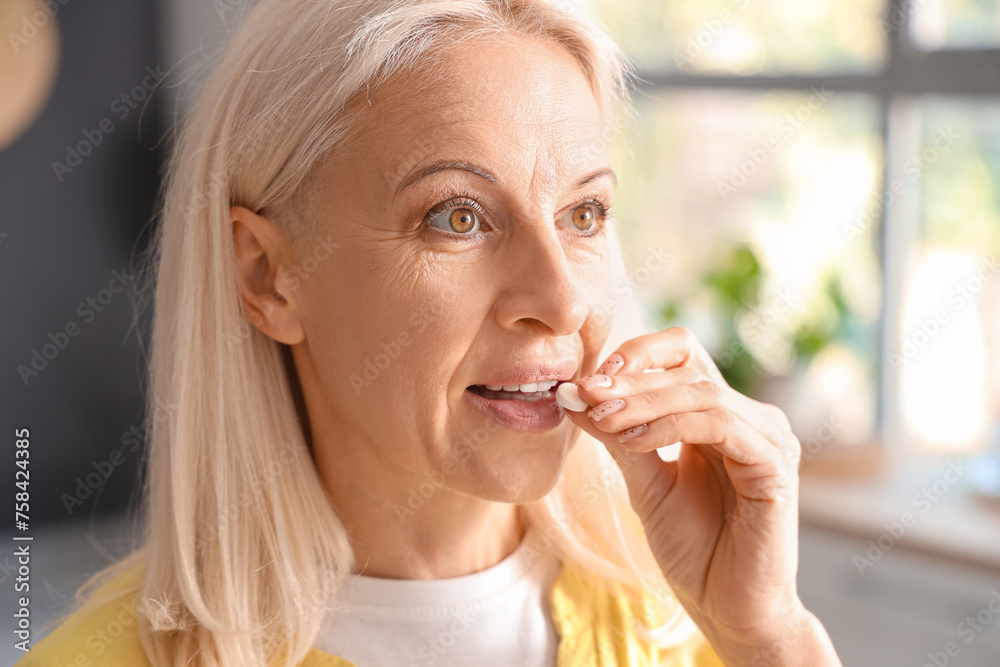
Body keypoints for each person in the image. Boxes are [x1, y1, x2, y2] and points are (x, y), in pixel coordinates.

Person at [17, 0, 842, 665]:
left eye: (583, 212)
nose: (560, 299)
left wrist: (767, 636)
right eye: (458, 216)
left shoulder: (691, 618)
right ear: (267, 276)